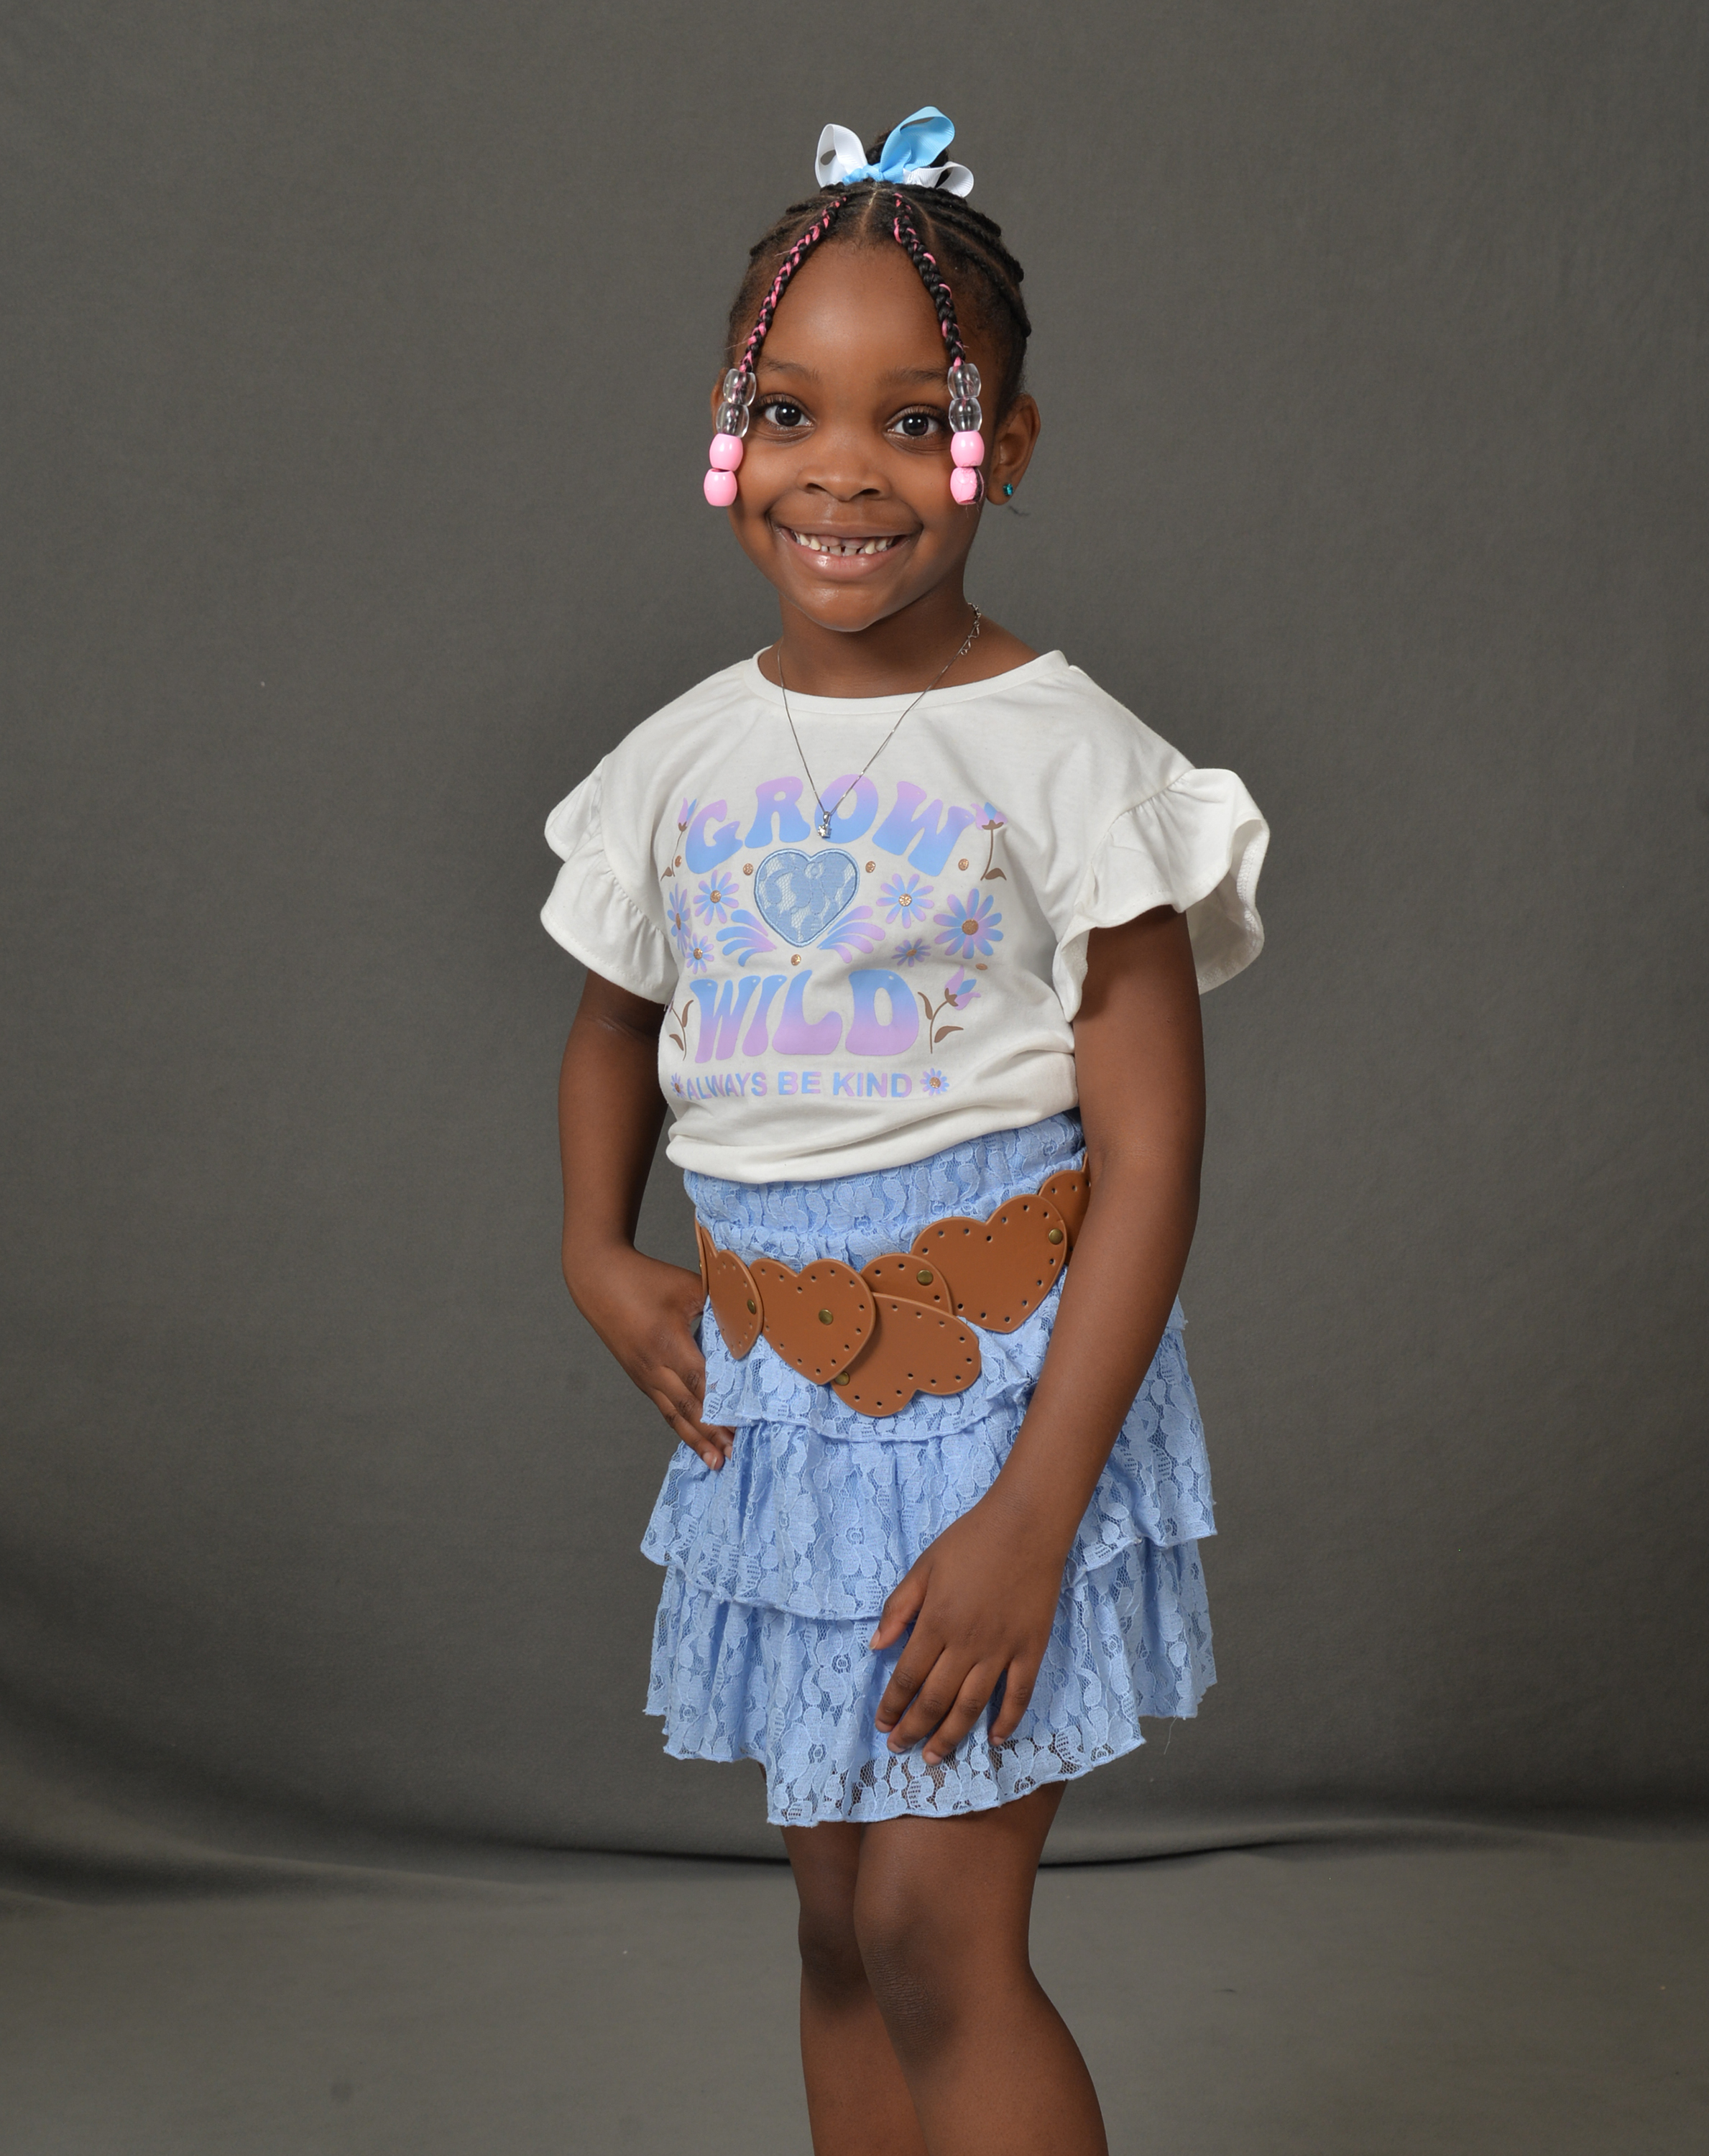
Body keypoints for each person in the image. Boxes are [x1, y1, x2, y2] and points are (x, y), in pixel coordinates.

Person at [542, 107, 1267, 2156]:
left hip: (1007, 1391)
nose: (840, 469)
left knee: (943, 1932)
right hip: (786, 1408)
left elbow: (1152, 1153)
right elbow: (614, 1028)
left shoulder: (1069, 756)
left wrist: (1036, 1509)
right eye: (788, 411)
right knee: (845, 1930)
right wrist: (596, 1251)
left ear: (1001, 450)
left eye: (913, 419)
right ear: (727, 430)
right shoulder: (678, 762)